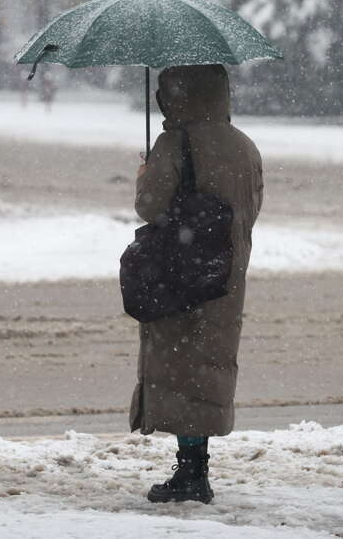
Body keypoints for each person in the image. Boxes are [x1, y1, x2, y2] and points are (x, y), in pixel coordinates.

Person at [131, 64, 263, 504]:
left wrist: (145, 175)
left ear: (175, 94)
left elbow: (151, 206)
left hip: (180, 269)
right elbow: (251, 207)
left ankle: (190, 473)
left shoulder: (174, 142)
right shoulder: (244, 145)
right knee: (209, 364)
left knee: (180, 363)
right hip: (225, 271)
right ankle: (196, 467)